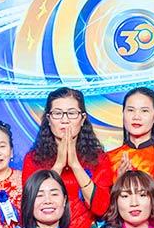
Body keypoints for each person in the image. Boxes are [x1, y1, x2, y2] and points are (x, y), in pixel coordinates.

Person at [22, 86, 114, 218]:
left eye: (71, 113)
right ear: (49, 119)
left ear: (82, 119)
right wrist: (59, 164)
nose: (65, 120)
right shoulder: (33, 159)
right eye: (57, 113)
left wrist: (75, 164)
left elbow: (101, 208)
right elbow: (30, 207)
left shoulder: (99, 158)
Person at [105, 86, 154, 187]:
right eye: (131, 110)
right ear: (123, 113)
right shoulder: (108, 159)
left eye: (144, 111)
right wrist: (119, 182)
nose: (136, 117)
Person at [19, 168, 91, 228]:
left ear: (64, 200)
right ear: (29, 201)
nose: (48, 201)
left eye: (54, 194)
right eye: (39, 195)